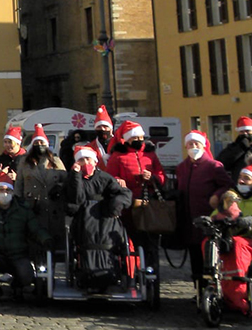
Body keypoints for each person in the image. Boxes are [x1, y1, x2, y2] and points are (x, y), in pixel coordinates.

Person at [209, 160, 252, 315]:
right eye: (240, 177)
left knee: (238, 244)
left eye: (246, 178)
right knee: (210, 242)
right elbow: (216, 214)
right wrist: (212, 220)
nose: (241, 181)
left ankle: (239, 294)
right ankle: (214, 283)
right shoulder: (231, 198)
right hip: (231, 238)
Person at [61, 144, 133, 292]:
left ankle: (113, 273)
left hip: (105, 219)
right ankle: (85, 273)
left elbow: (124, 194)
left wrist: (116, 205)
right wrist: (75, 176)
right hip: (83, 221)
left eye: (88, 159)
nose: (86, 163)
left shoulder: (105, 178)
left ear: (95, 161)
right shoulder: (72, 179)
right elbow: (77, 199)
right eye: (81, 160)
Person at [173, 130, 232, 292]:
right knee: (195, 258)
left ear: (203, 146)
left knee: (210, 257)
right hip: (189, 220)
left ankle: (212, 291)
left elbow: (227, 185)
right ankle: (199, 291)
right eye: (190, 144)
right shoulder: (182, 167)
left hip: (208, 220)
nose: (193, 147)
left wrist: (217, 195)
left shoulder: (214, 166)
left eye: (196, 144)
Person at [105, 120, 166, 271]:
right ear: (127, 139)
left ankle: (152, 270)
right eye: (135, 138)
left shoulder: (150, 154)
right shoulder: (118, 156)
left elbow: (161, 176)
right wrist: (118, 181)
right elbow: (109, 178)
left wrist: (153, 178)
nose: (139, 140)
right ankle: (132, 269)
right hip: (129, 206)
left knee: (151, 242)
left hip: (148, 205)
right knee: (132, 239)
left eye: (141, 137)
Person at [0, 168, 50, 300]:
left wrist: (46, 239)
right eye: (1, 190)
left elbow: (35, 228)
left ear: (13, 192)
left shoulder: (22, 210)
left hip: (18, 254)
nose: (5, 193)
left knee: (26, 276)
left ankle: (17, 285)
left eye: (8, 190)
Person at [15, 124, 66, 248]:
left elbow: (66, 180)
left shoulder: (55, 161)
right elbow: (19, 184)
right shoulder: (24, 162)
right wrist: (18, 203)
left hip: (52, 208)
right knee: (34, 238)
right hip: (32, 206)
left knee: (54, 239)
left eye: (42, 142)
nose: (39, 145)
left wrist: (59, 187)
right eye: (36, 142)